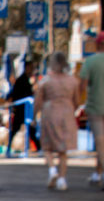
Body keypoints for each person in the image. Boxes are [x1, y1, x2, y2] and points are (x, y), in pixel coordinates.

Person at [34, 51, 80, 191]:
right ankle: (62, 179)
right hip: (67, 113)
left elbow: (38, 101)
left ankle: (52, 169)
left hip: (50, 112)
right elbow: (77, 101)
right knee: (63, 149)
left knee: (47, 146)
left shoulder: (45, 81)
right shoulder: (72, 81)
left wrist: (35, 115)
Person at [78, 29, 104, 186]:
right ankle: (97, 173)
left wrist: (77, 102)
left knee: (100, 143)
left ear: (96, 44)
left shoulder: (90, 62)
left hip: (96, 107)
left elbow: (83, 85)